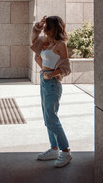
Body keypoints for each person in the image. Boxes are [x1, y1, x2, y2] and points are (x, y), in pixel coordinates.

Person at [30, 15, 72, 168]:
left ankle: (65, 151)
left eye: (47, 26)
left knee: (52, 118)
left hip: (52, 83)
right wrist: (38, 25)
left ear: (54, 27)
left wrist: (51, 74)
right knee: (47, 118)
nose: (45, 29)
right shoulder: (46, 42)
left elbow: (66, 69)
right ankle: (54, 149)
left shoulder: (61, 44)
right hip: (44, 80)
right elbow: (33, 39)